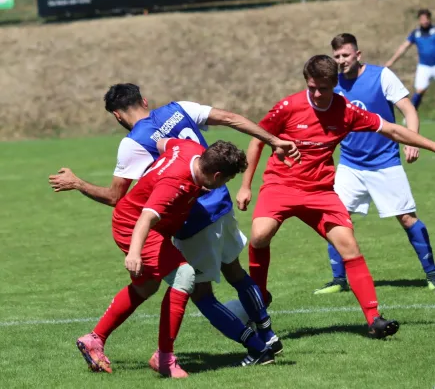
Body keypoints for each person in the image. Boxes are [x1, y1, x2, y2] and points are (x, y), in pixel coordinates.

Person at [49, 84, 301, 376]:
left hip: (191, 220)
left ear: (117, 116)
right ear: (144, 100)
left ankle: (254, 347)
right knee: (225, 273)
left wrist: (79, 183)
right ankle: (264, 339)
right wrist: (273, 140)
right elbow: (229, 119)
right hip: (217, 207)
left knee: (193, 291)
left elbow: (118, 198)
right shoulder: (179, 110)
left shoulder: (135, 145)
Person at [236, 55, 435, 339]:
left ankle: (374, 318)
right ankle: (259, 304)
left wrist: (432, 145)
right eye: (312, 87)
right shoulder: (289, 106)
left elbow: (391, 129)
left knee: (349, 246)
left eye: (324, 88)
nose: (317, 94)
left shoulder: (346, 111)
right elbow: (257, 139)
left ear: (335, 84)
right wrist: (246, 186)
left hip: (320, 192)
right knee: (259, 235)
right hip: (281, 185)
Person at [92, 138, 247, 378]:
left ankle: (94, 339)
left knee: (146, 286)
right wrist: (134, 253)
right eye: (227, 179)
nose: (226, 183)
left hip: (147, 225)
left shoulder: (190, 149)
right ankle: (164, 357)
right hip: (134, 227)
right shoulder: (174, 184)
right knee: (184, 275)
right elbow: (145, 219)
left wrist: (155, 174)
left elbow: (163, 143)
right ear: (216, 175)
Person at [313, 33, 435, 295]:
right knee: (336, 218)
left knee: (406, 217)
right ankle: (338, 280)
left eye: (345, 55)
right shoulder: (331, 85)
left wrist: (412, 140)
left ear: (358, 55)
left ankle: (432, 274)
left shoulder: (382, 76)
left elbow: (408, 110)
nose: (341, 60)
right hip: (350, 164)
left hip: (385, 162)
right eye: (337, 57)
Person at [385, 9, 435, 110]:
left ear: (430, 19)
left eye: (426, 19)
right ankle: (410, 113)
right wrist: (392, 61)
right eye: (422, 19)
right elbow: (404, 47)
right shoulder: (415, 33)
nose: (424, 21)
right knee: (420, 90)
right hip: (424, 66)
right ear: (419, 20)